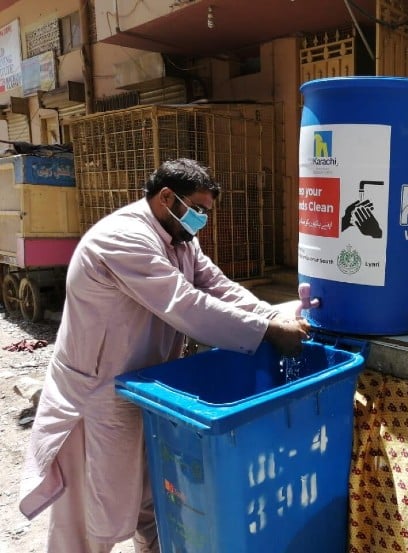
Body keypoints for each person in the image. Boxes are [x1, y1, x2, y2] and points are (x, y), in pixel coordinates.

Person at [19, 158, 310, 552]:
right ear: (167, 197)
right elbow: (185, 304)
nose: (203, 220)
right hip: (99, 391)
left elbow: (217, 287)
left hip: (146, 385)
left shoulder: (182, 239)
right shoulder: (123, 237)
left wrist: (271, 313)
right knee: (94, 509)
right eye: (199, 210)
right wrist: (267, 331)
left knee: (153, 491)